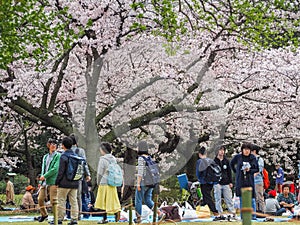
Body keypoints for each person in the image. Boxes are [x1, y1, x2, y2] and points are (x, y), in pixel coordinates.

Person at [134, 140, 165, 224]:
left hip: (143, 182)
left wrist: (138, 183)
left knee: (138, 200)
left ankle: (138, 218)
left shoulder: (141, 158)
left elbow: (140, 172)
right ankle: (160, 213)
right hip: (151, 182)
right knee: (148, 200)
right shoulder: (149, 158)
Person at [230, 142, 259, 220]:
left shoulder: (252, 157)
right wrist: (236, 171)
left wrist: (250, 170)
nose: (247, 151)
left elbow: (257, 169)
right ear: (242, 150)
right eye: (245, 149)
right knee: (242, 199)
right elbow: (231, 164)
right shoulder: (238, 157)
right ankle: (243, 216)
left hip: (249, 180)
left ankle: (253, 216)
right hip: (241, 180)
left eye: (248, 149)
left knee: (252, 199)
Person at [55, 136, 80, 225]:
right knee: (74, 201)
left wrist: (57, 182)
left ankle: (60, 218)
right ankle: (74, 219)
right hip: (75, 182)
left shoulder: (63, 156)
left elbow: (61, 171)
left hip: (64, 183)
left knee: (61, 200)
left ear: (63, 145)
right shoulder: (76, 156)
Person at [95, 142, 121, 224]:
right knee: (112, 199)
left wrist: (97, 181)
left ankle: (104, 218)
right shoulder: (113, 159)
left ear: (103, 150)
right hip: (112, 182)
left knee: (103, 201)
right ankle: (116, 211)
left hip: (104, 182)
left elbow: (100, 172)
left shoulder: (102, 159)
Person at [37, 138, 61, 223]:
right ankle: (44, 214)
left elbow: (55, 169)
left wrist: (45, 176)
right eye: (51, 144)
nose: (53, 145)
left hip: (53, 181)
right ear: (48, 145)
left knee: (53, 200)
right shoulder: (45, 156)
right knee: (40, 199)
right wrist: (41, 180)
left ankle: (56, 218)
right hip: (44, 181)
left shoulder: (58, 155)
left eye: (55, 144)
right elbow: (43, 168)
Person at [69, 133, 91, 220]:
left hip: (68, 177)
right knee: (78, 196)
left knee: (68, 196)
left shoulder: (66, 150)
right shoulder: (81, 151)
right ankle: (78, 215)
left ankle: (69, 214)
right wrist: (88, 174)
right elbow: (84, 164)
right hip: (78, 176)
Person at [196, 146, 222, 221]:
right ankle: (202, 209)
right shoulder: (210, 160)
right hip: (211, 181)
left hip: (204, 181)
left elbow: (198, 173)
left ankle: (215, 212)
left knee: (207, 197)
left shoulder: (200, 161)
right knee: (206, 197)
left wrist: (199, 179)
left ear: (199, 154)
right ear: (206, 153)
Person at [213, 145, 236, 218]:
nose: (222, 152)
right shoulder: (214, 161)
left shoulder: (226, 161)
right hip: (217, 183)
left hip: (226, 183)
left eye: (223, 150)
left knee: (229, 199)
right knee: (218, 199)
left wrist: (230, 182)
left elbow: (229, 172)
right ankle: (219, 214)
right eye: (220, 150)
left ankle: (232, 213)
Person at [251, 144, 265, 213]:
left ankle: (263, 211)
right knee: (254, 198)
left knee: (259, 197)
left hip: (258, 181)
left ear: (254, 151)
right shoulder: (251, 159)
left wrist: (253, 175)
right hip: (251, 181)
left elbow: (259, 169)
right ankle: (256, 211)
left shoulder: (260, 159)